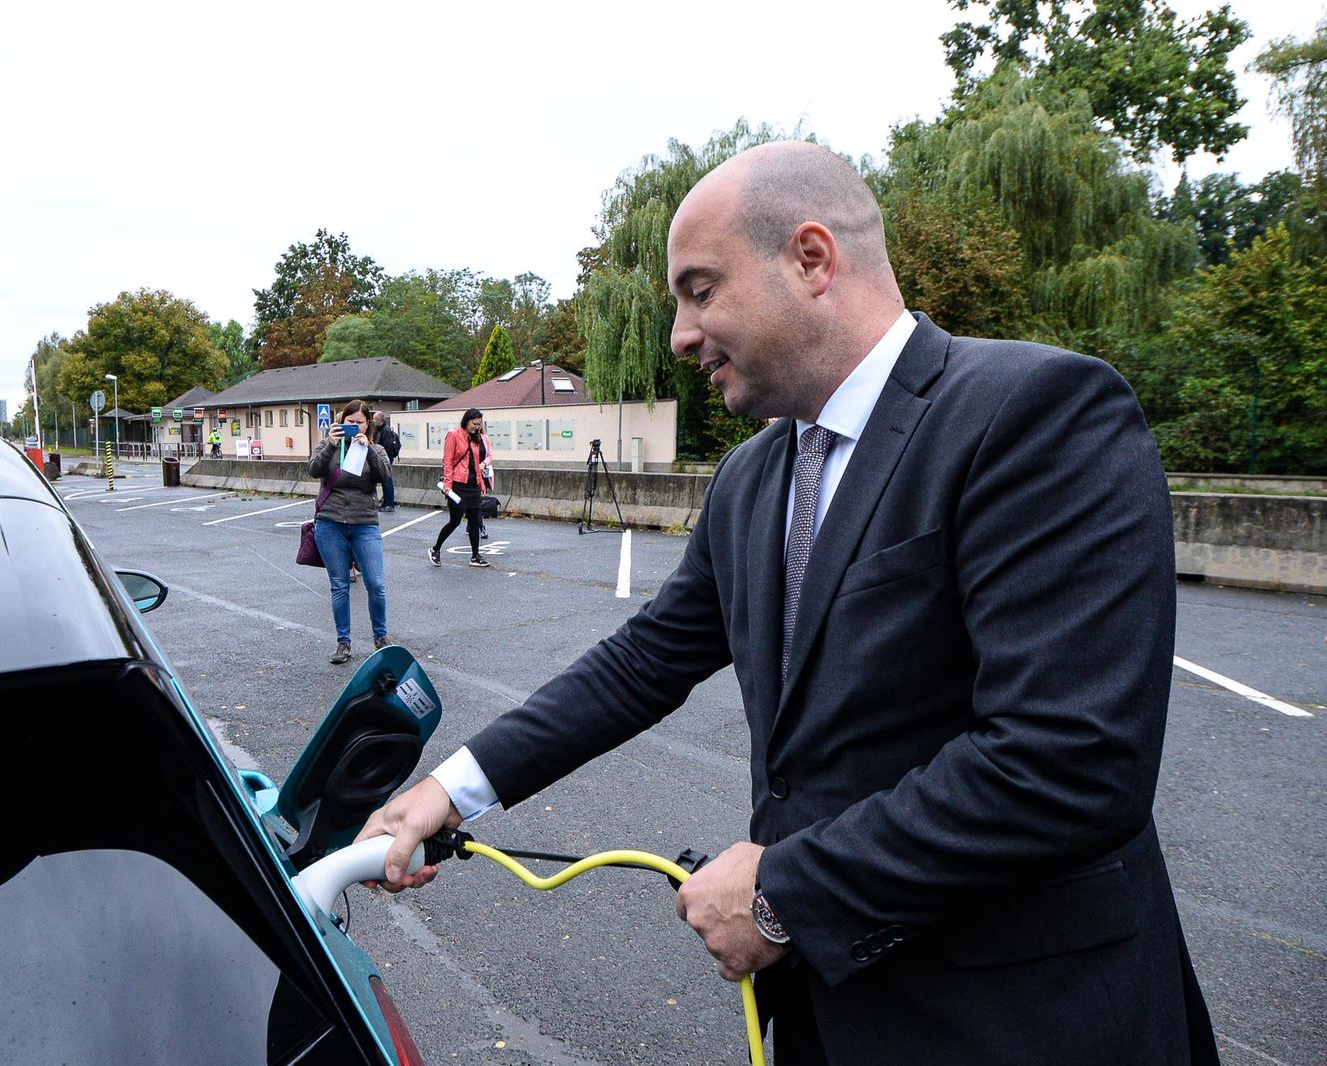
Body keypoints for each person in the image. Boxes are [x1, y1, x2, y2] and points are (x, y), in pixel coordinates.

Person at [358, 142, 1217, 1065]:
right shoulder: (754, 474)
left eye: (699, 290)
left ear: (811, 260)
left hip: (1028, 1018)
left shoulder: (1036, 411)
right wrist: (448, 792)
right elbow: (648, 658)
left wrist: (789, 892)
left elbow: (1071, 761)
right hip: (827, 1011)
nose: (681, 335)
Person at [306, 399, 392, 664]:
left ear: (368, 425)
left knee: (376, 584)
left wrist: (368, 451)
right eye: (350, 422)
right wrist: (331, 444)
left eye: (359, 423)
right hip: (330, 522)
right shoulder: (328, 445)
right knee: (340, 585)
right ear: (341, 421)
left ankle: (381, 637)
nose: (354, 427)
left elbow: (385, 476)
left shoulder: (376, 448)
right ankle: (343, 642)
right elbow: (312, 470)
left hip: (364, 522)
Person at [428, 408, 491, 569]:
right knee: (455, 521)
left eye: (479, 424)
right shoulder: (454, 435)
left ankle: (475, 556)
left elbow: (477, 464)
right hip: (457, 484)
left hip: (473, 485)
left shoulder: (476, 437)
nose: (476, 427)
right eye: (474, 423)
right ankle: (435, 549)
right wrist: (447, 486)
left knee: (475, 519)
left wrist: (481, 483)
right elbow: (447, 461)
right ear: (466, 420)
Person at [373, 410, 401, 511]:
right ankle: (386, 503)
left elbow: (387, 446)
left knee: (387, 481)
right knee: (385, 481)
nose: (373, 421)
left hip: (386, 458)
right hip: (384, 458)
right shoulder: (380, 429)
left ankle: (389, 504)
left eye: (375, 419)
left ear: (380, 420)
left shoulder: (385, 430)